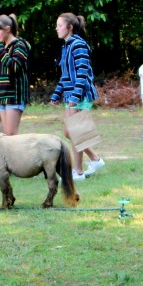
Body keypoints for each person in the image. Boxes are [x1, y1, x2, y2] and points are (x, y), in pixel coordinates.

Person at [50, 12, 104, 181]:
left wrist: (75, 95)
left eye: (60, 25)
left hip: (81, 94)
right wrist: (57, 93)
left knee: (76, 131)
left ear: (70, 27)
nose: (57, 28)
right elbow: (65, 75)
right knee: (69, 131)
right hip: (71, 95)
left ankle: (78, 172)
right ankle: (95, 159)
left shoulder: (78, 45)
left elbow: (82, 72)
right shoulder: (66, 46)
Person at [0, 14, 31, 136]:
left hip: (14, 96)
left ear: (7, 29)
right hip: (2, 96)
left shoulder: (20, 46)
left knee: (12, 133)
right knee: (6, 134)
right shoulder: (4, 48)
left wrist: (1, 51)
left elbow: (15, 67)